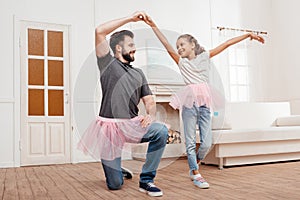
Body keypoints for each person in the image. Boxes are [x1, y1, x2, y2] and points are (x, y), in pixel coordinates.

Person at [143, 14, 265, 189]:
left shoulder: (205, 56)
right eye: (177, 46)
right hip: (189, 104)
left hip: (205, 103)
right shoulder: (181, 62)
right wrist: (153, 24)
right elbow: (165, 43)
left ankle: (196, 163)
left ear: (193, 45)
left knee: (207, 142)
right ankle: (195, 173)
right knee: (191, 141)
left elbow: (227, 44)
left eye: (182, 44)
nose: (178, 48)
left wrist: (248, 35)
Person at [77, 11, 168, 197]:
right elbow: (99, 31)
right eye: (131, 45)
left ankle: (147, 180)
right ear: (118, 48)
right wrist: (130, 19)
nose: (135, 49)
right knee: (115, 185)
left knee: (161, 131)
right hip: (109, 128)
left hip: (131, 125)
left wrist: (150, 114)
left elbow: (149, 100)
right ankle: (118, 171)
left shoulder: (139, 74)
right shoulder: (107, 64)